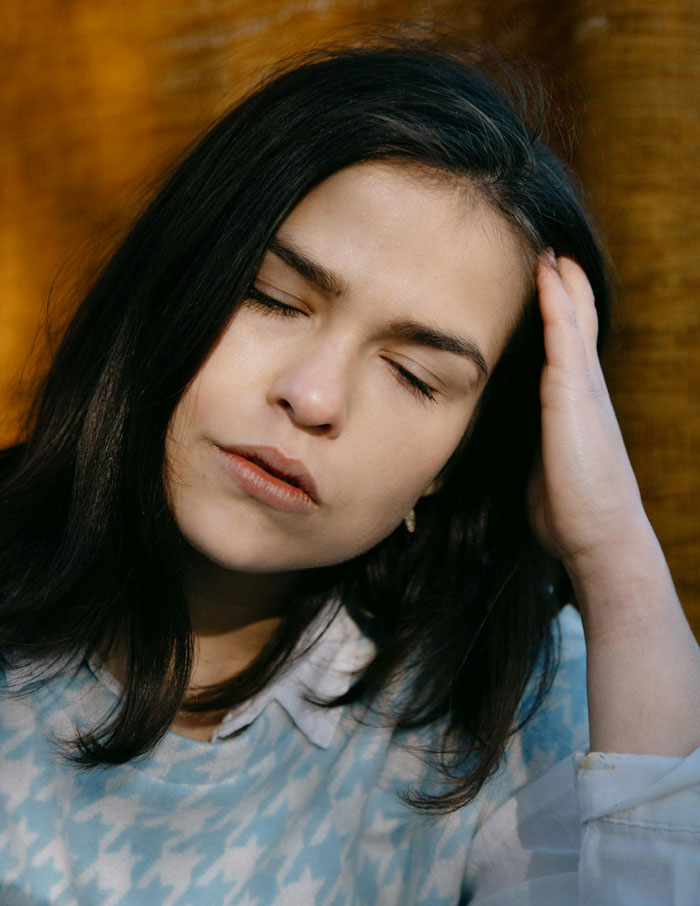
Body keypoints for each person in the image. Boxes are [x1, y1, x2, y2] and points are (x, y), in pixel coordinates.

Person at [1, 30, 699, 906]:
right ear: (174, 280)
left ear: (457, 459)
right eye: (273, 298)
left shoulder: (511, 701)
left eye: (414, 375)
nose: (315, 397)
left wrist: (616, 558)